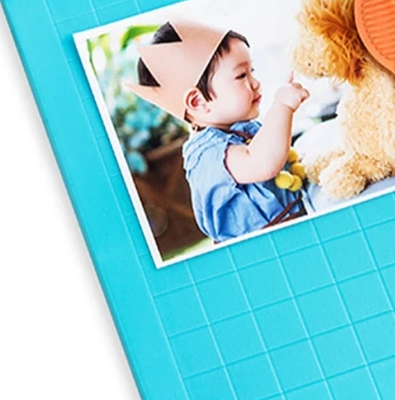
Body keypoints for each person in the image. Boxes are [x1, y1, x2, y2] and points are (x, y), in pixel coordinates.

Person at [125, 19, 310, 243]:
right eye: (241, 76)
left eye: (251, 71)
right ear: (198, 101)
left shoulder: (239, 129)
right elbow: (262, 163)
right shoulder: (208, 153)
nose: (256, 83)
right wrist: (282, 106)